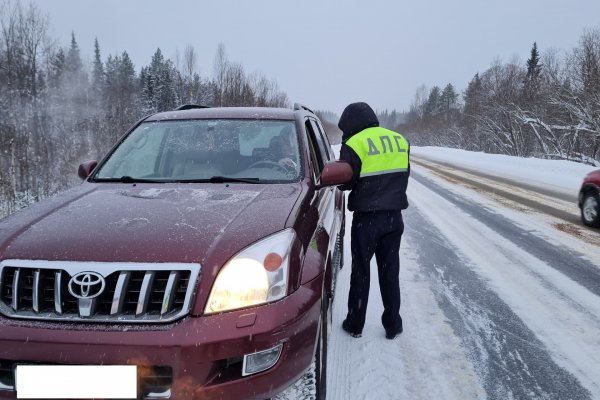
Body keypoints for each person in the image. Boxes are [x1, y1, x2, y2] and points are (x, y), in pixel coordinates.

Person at [337, 102, 410, 340]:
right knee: (390, 272)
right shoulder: (399, 140)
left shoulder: (354, 144)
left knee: (361, 271)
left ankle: (355, 323)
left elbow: (346, 181)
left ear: (351, 124)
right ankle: (393, 324)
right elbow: (403, 173)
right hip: (394, 218)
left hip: (366, 220)